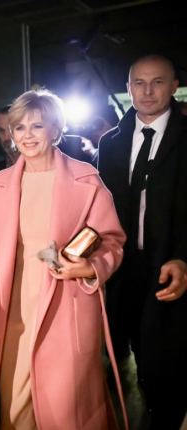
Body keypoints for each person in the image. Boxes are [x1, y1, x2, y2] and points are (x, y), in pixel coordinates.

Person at [0, 89, 126, 430]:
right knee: (13, 408)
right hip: (14, 306)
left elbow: (111, 239)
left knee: (66, 409)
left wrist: (90, 267)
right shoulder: (0, 185)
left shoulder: (85, 179)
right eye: (19, 127)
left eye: (37, 126)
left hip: (67, 304)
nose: (27, 135)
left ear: (56, 129)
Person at [97, 54, 187, 429]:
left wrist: (184, 257)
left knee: (165, 363)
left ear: (174, 86)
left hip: (170, 267)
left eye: (158, 82)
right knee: (118, 356)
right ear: (129, 87)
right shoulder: (111, 143)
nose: (147, 91)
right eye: (139, 83)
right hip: (120, 268)